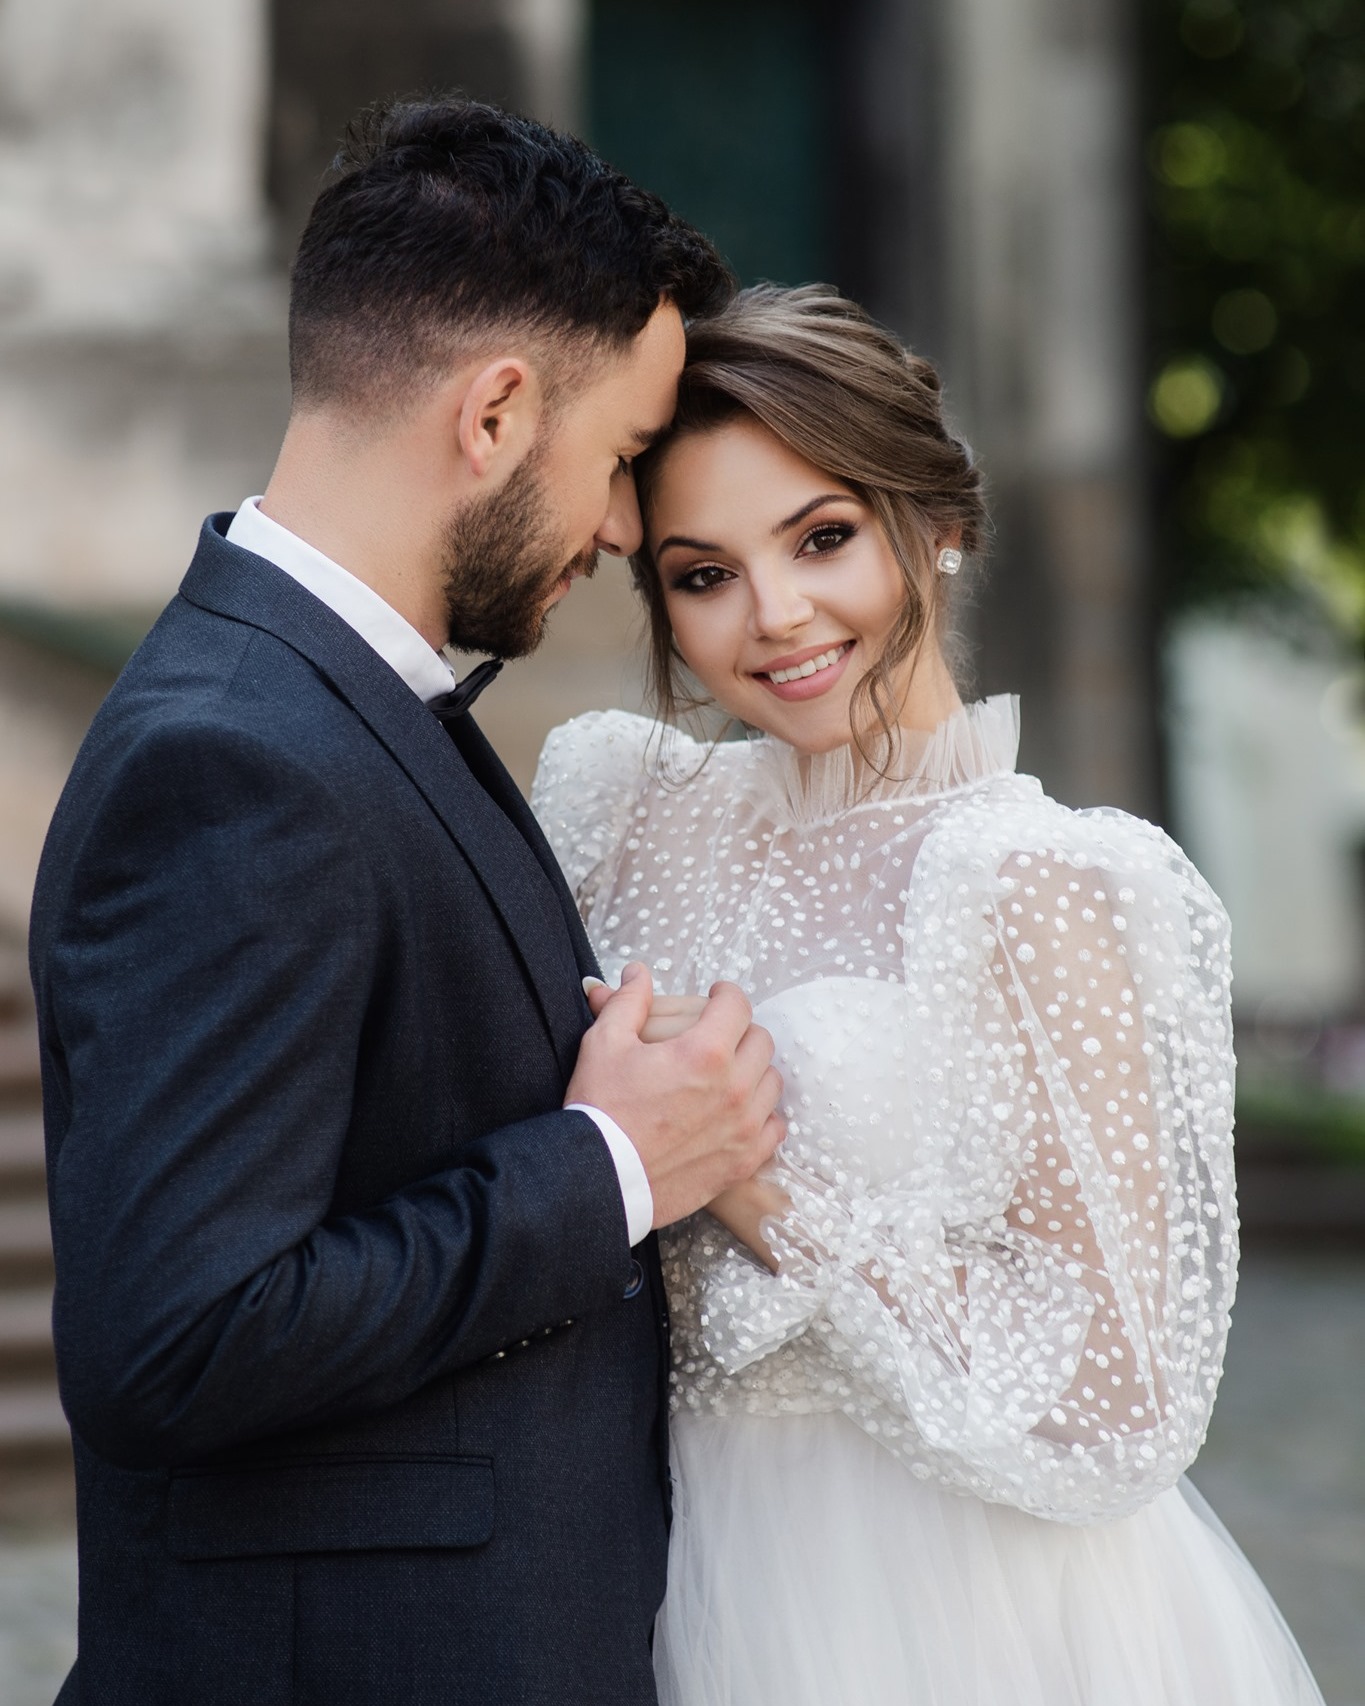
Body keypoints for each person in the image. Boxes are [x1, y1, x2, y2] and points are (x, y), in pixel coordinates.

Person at [29, 99, 787, 1705]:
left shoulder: (346, 703)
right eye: (625, 459)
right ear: (499, 411)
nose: (623, 530)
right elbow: (178, 1337)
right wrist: (610, 1165)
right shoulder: (238, 758)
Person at [531, 283, 1326, 1706]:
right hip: (642, 1560)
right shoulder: (622, 805)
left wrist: (749, 1180)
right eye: (700, 573)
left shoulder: (1039, 879)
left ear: (938, 525)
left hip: (950, 1598)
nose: (774, 618)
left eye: (823, 538)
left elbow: (1112, 1395)